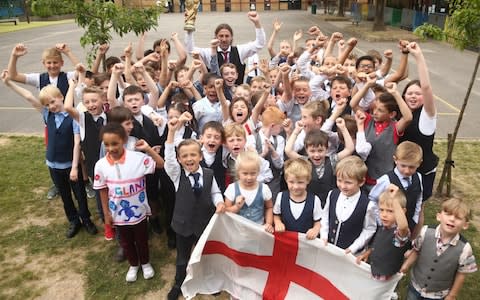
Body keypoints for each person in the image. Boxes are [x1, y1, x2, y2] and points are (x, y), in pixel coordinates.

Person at [2, 70, 97, 238]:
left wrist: (75, 167)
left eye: (53, 101)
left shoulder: (73, 116)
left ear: (61, 97)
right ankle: (73, 220)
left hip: (70, 165)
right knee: (65, 195)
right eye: (47, 104)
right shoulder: (48, 115)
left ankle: (86, 219)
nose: (51, 106)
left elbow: (76, 144)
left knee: (80, 194)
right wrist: (9, 83)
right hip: (53, 164)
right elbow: (29, 97)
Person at [7, 43, 80, 200]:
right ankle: (58, 184)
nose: (52, 65)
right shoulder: (39, 78)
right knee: (53, 153)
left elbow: (83, 71)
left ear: (61, 63)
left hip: (70, 122)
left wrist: (68, 52)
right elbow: (13, 75)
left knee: (76, 150)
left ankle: (81, 179)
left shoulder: (67, 76)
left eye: (55, 62)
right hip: (52, 123)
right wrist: (14, 56)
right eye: (49, 62)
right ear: (44, 63)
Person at [93, 123, 165, 282]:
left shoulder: (138, 158)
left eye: (115, 143)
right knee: (126, 242)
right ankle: (133, 264)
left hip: (138, 211)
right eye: (106, 144)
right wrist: (106, 214)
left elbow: (160, 164)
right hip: (117, 213)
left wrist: (148, 149)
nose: (111, 148)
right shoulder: (100, 165)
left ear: (124, 140)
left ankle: (145, 263)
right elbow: (102, 190)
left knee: (141, 239)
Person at [164, 118, 225, 300]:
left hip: (203, 224)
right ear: (179, 159)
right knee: (182, 258)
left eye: (193, 155)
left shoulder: (208, 174)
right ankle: (179, 283)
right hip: (183, 225)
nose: (189, 159)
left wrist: (219, 203)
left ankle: (208, 281)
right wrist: (171, 132)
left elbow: (215, 192)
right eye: (184, 156)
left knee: (204, 255)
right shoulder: (177, 175)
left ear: (200, 156)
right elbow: (168, 157)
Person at [401, 198, 477, 300]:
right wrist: (406, 265)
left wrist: (452, 295)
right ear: (439, 216)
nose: (452, 219)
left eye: (458, 218)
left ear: (465, 225)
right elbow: (416, 251)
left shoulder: (465, 249)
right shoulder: (425, 232)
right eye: (448, 214)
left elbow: (462, 273)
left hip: (438, 294)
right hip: (416, 286)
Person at [399, 42, 439, 204]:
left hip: (422, 171)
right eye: (409, 93)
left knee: (417, 207)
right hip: (402, 168)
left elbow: (427, 87)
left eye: (417, 93)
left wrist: (418, 56)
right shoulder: (400, 112)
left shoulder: (427, 116)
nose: (413, 96)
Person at [184, 11, 266, 85]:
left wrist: (257, 23)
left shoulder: (239, 51)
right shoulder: (208, 52)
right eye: (221, 36)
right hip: (215, 95)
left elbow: (259, 44)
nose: (224, 39)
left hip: (236, 95)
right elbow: (191, 50)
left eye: (227, 36)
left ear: (231, 37)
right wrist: (189, 29)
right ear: (216, 37)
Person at [320, 156, 376, 254]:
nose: (342, 186)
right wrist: (324, 236)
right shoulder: (332, 194)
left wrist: (354, 247)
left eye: (348, 183)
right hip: (328, 248)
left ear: (361, 182)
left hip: (350, 254)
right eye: (339, 180)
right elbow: (325, 216)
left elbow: (369, 229)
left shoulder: (367, 205)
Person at [369, 141, 423, 236]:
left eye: (411, 167)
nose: (407, 170)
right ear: (395, 160)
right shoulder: (386, 180)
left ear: (419, 163)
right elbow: (372, 201)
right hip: (387, 229)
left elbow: (419, 198)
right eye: (403, 166)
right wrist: (381, 221)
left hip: (408, 227)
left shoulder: (418, 177)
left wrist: (415, 218)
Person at [357, 184, 410, 281]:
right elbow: (379, 245)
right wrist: (368, 253)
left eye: (390, 211)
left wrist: (395, 201)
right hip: (373, 271)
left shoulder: (398, 232)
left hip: (386, 278)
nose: (384, 215)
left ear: (402, 212)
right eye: (381, 210)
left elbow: (403, 226)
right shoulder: (383, 227)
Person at [224, 150, 274, 233]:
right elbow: (226, 212)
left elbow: (269, 207)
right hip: (237, 232)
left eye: (253, 173)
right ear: (238, 172)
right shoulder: (232, 189)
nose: (249, 177)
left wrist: (268, 223)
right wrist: (236, 207)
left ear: (258, 172)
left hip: (258, 231)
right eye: (245, 173)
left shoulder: (264, 189)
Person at [273, 158, 322, 239]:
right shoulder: (281, 196)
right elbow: (276, 214)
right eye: (291, 182)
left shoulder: (314, 200)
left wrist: (315, 229)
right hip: (286, 242)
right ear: (286, 180)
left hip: (307, 244)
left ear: (308, 181)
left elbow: (318, 221)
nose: (295, 187)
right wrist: (278, 223)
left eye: (300, 182)